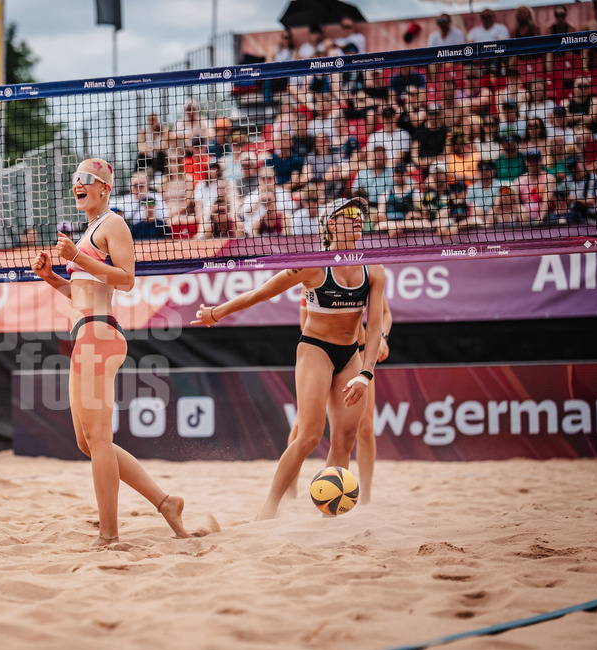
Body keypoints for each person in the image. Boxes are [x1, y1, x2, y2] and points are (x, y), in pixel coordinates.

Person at [193, 197, 385, 520]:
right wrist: (216, 312)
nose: (358, 219)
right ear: (331, 224)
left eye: (360, 215)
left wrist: (366, 374)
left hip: (351, 353)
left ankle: (329, 517)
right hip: (316, 350)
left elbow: (375, 327)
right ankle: (268, 510)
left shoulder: (374, 269)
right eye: (349, 214)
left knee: (346, 437)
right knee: (309, 436)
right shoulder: (312, 265)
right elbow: (260, 293)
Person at [31, 158, 188, 546]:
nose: (77, 184)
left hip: (99, 333)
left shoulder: (113, 224)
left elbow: (128, 279)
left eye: (85, 179)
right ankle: (165, 502)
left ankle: (109, 535)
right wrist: (51, 277)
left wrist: (77, 258)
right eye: (75, 179)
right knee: (87, 442)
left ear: (104, 187)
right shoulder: (89, 231)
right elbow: (80, 292)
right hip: (86, 331)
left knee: (99, 440)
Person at [286, 294, 393, 504]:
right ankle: (290, 490)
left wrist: (382, 338)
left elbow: (385, 314)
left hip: (359, 353)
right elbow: (305, 322)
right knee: (302, 427)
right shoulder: (317, 280)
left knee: (365, 428)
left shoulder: (366, 277)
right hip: (322, 353)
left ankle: (366, 498)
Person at [110, 171, 168, 240]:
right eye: (135, 185)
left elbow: (165, 216)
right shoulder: (124, 200)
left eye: (141, 186)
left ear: (147, 186)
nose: (138, 188)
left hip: (153, 232)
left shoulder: (156, 198)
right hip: (132, 233)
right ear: (130, 187)